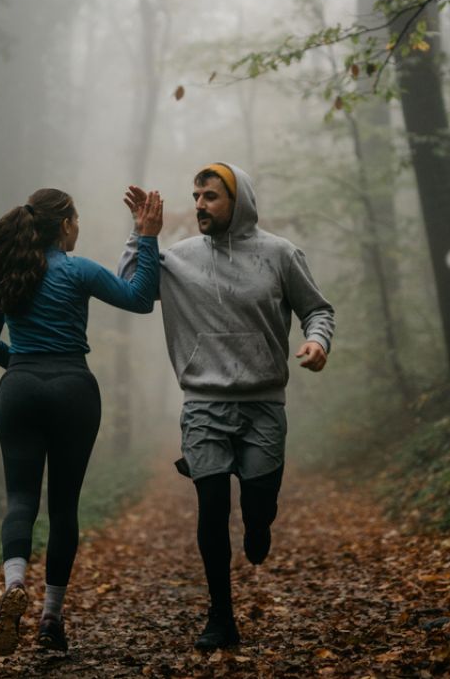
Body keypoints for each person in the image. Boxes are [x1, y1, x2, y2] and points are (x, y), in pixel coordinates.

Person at [120, 163, 334, 650]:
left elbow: (317, 309)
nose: (199, 205)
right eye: (195, 196)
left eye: (210, 196)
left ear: (238, 202)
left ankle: (260, 525)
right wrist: (142, 236)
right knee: (212, 509)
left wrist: (317, 342)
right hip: (203, 404)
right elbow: (133, 291)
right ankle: (221, 616)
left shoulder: (280, 254)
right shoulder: (176, 259)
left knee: (256, 506)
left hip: (263, 403)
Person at [0, 186, 163, 656]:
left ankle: (14, 583)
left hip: (19, 390)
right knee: (63, 507)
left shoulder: (12, 274)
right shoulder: (78, 271)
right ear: (64, 225)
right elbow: (141, 299)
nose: (79, 228)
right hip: (74, 390)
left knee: (20, 499)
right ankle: (50, 619)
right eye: (76, 220)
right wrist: (147, 237)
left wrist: (21, 366)